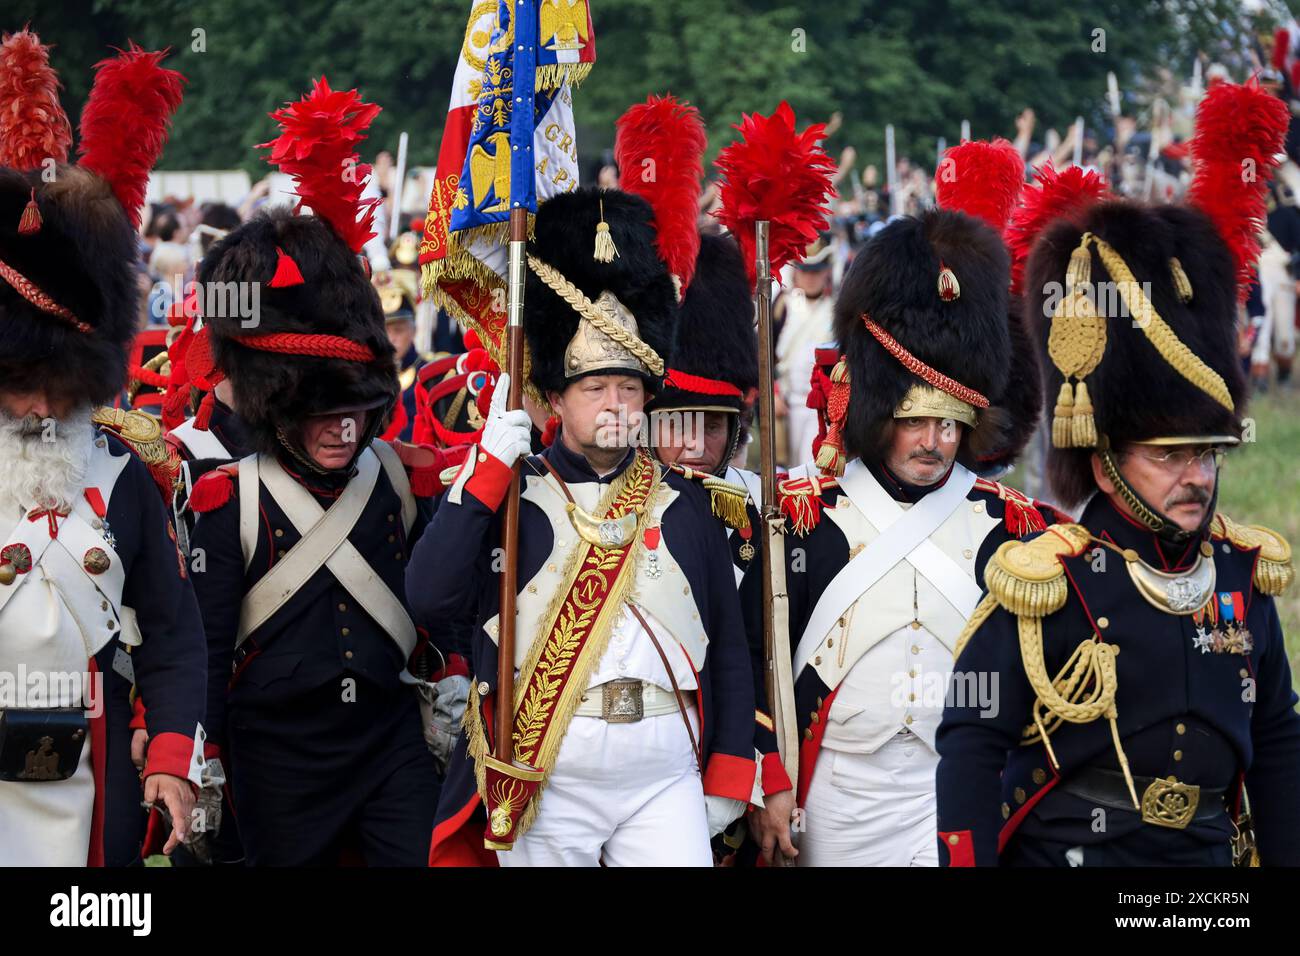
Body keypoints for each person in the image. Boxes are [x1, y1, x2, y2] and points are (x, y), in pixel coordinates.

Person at [936, 80, 1300, 867]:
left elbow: (1275, 740)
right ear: (1104, 465)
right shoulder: (1047, 581)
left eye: (1205, 453)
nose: (1198, 476)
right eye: (1170, 457)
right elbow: (970, 738)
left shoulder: (1240, 573)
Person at [410, 184, 759, 867]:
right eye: (595, 389)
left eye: (629, 389)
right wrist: (484, 475)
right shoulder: (510, 497)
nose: (614, 404)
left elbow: (729, 647)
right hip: (548, 772)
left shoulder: (686, 503)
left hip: (664, 773)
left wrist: (728, 770)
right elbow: (428, 596)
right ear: (558, 398)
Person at [753, 139, 1051, 867]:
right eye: (915, 420)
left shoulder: (1008, 526)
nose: (934, 441)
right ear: (877, 412)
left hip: (951, 788)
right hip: (839, 792)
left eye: (950, 423)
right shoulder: (803, 517)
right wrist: (771, 779)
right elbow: (756, 662)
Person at [186, 80, 454, 866]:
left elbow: (444, 610)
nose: (344, 430)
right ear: (277, 404)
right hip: (276, 754)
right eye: (322, 415)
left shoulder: (404, 483)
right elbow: (204, 646)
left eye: (356, 413)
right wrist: (195, 757)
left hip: (389, 738)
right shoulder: (225, 500)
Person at [0, 31, 204, 865]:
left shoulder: (126, 475)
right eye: (23, 386)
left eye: (59, 385)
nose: (44, 406)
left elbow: (173, 630)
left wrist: (169, 762)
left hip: (98, 772)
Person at [775, 234, 835, 467]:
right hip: (787, 402)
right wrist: (774, 391)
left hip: (824, 404)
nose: (811, 278)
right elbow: (766, 354)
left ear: (826, 272)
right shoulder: (783, 305)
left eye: (816, 271)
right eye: (806, 271)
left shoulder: (835, 309)